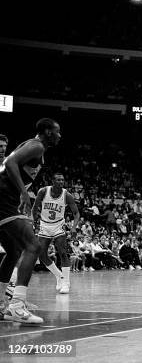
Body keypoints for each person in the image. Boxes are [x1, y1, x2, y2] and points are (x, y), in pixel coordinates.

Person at [0, 118, 61, 323]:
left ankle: (1, 303)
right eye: (56, 131)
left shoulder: (31, 145)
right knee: (33, 246)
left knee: (14, 251)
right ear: (46, 132)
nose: (59, 135)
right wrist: (23, 192)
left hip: (6, 199)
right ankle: (16, 306)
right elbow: (9, 163)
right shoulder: (36, 146)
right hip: (3, 199)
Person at [32, 172, 80, 294]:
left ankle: (66, 283)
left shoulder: (66, 195)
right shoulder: (43, 191)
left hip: (59, 225)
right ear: (52, 181)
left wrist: (74, 227)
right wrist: (33, 222)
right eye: (58, 180)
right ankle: (59, 276)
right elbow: (35, 207)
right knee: (41, 254)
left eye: (62, 180)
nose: (61, 182)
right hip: (44, 225)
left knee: (63, 253)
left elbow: (76, 213)